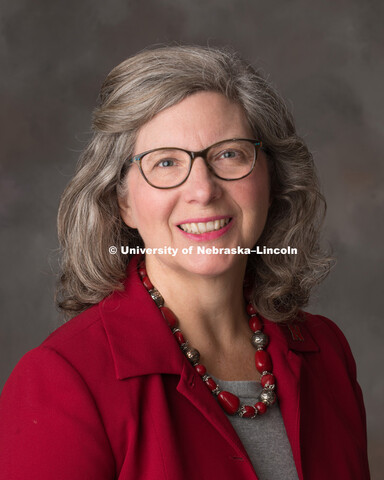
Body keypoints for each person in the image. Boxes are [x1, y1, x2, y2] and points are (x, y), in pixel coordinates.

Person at [0, 45, 370, 480]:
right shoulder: (64, 381)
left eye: (229, 154)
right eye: (166, 162)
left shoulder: (326, 352)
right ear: (123, 203)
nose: (203, 189)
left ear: (272, 179)